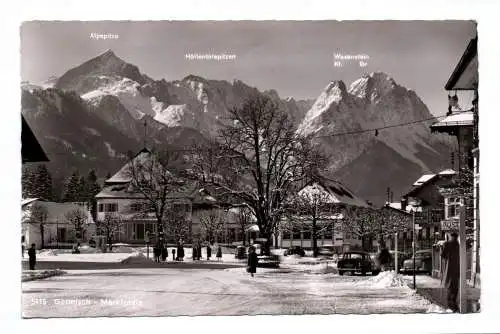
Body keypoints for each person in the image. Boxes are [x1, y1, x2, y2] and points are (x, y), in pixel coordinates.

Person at [441, 231, 460, 312]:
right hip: (458, 267)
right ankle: (454, 301)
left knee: (450, 284)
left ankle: (450, 303)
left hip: (450, 267)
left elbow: (443, 255)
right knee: (455, 285)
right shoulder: (458, 244)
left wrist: (442, 248)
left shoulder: (447, 243)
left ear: (451, 236)